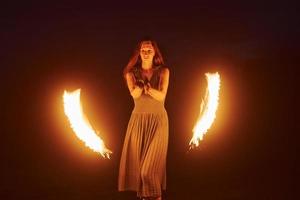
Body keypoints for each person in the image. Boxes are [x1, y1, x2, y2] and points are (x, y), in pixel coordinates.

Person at [118, 38, 170, 200]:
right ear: (139, 53)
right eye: (143, 50)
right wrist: (140, 86)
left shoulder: (164, 72)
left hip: (158, 122)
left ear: (155, 53)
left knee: (148, 171)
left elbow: (161, 96)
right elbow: (134, 94)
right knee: (141, 174)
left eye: (149, 50)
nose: (146, 53)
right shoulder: (131, 73)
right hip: (138, 122)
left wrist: (147, 87)